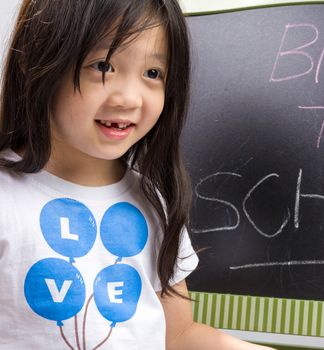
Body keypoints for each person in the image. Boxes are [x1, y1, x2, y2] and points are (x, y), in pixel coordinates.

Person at [0, 0, 275, 349]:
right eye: (103, 66)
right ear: (35, 60)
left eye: (153, 74)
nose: (130, 98)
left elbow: (178, 335)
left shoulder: (151, 199)